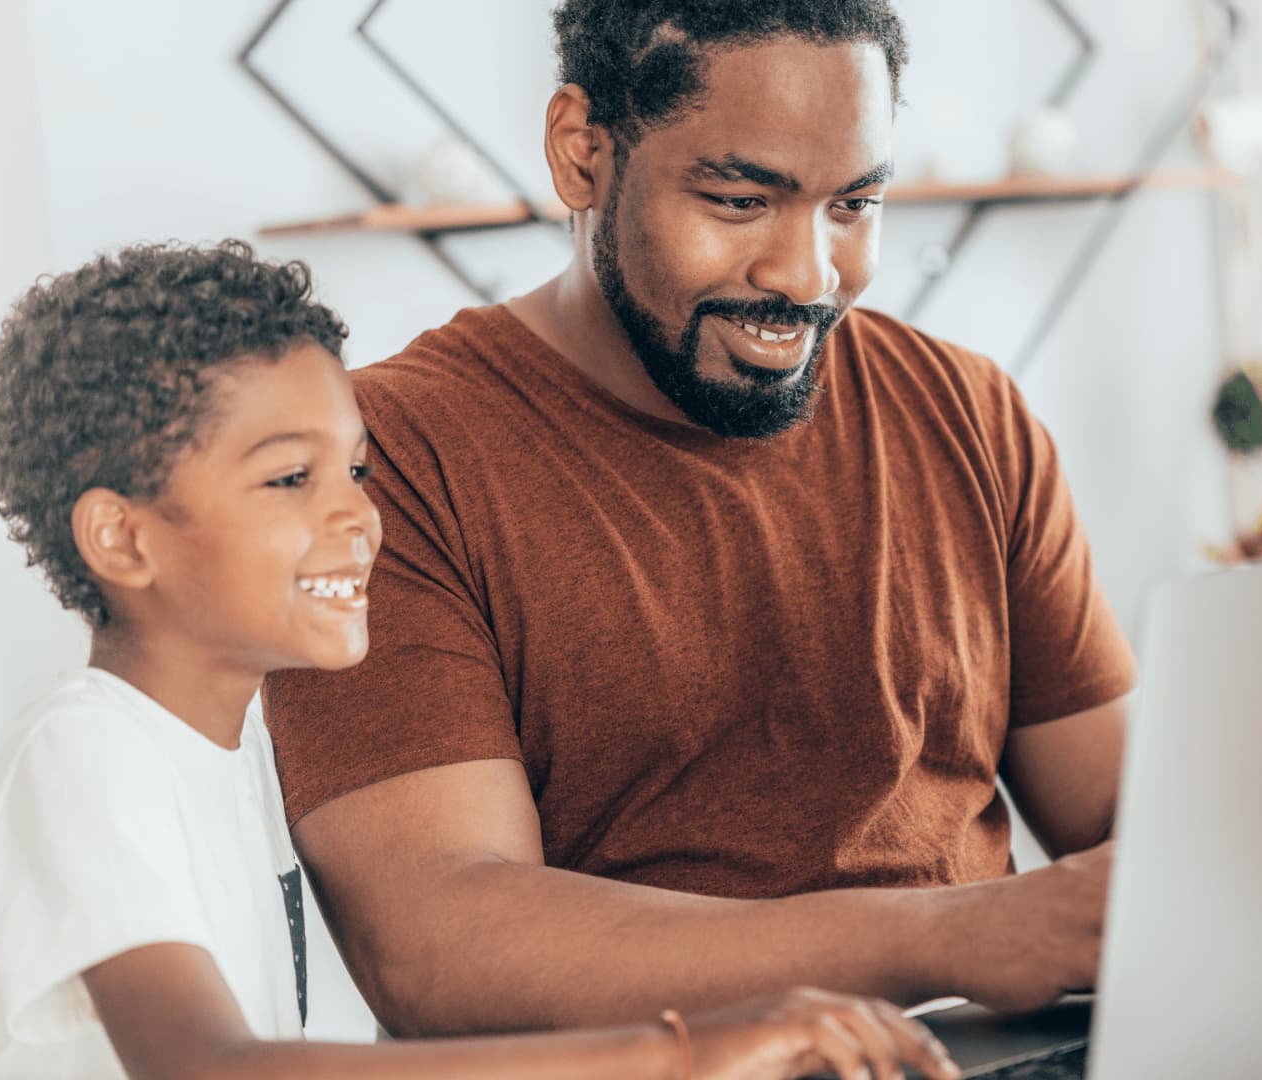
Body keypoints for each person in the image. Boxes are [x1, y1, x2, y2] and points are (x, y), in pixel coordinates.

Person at [260, 0, 1137, 1037]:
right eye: (738, 200)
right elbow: (436, 941)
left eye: (853, 206)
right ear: (583, 153)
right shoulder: (384, 463)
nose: (807, 275)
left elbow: (1133, 832)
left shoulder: (970, 413)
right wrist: (944, 938)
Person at [0, 240, 958, 1080]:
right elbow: (211, 1069)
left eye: (354, 468)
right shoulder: (82, 753)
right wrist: (684, 1051)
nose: (356, 514)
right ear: (122, 540)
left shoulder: (238, 756)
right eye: (290, 478)